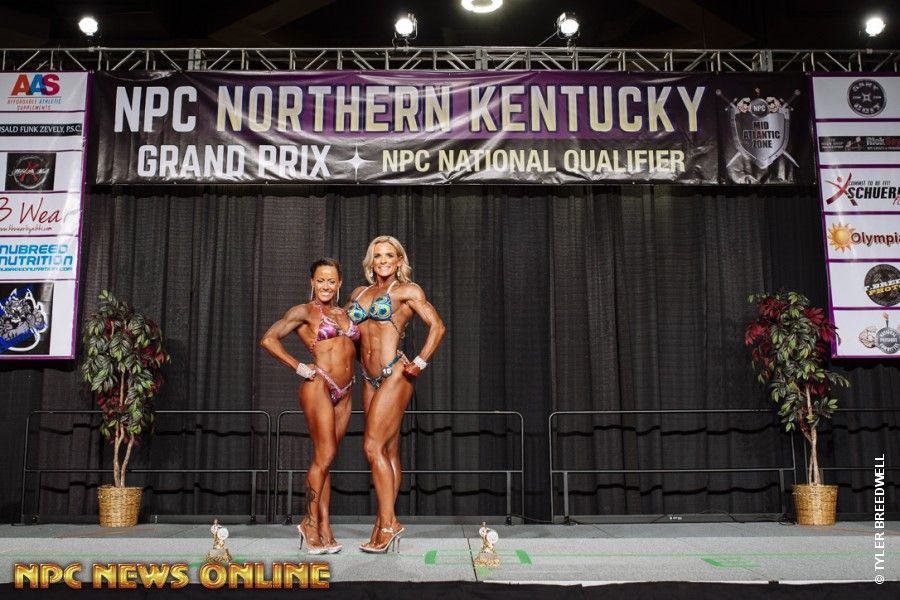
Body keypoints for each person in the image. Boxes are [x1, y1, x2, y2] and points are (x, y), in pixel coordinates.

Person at [347, 235, 445, 553]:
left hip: (395, 374)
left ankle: (389, 524)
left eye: (389, 255)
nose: (383, 261)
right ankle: (382, 522)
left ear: (399, 260)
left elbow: (437, 326)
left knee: (372, 446)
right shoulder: (359, 294)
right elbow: (343, 330)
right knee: (387, 452)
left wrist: (419, 362)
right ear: (370, 261)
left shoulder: (407, 291)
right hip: (368, 378)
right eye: (378, 256)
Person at [259, 258, 358, 555]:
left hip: (346, 390)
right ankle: (309, 522)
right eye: (320, 280)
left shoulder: (345, 313)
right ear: (312, 282)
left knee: (326, 459)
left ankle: (324, 525)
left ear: (339, 283)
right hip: (319, 384)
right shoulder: (303, 311)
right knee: (324, 455)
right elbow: (269, 339)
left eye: (331, 281)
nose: (326, 286)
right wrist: (298, 366)